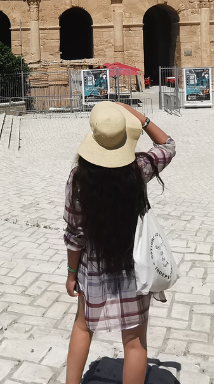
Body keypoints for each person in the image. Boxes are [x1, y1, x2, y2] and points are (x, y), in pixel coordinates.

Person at [64, 101, 175, 384]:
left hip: (93, 267)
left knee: (83, 326)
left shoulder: (79, 178)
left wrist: (71, 274)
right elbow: (169, 145)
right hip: (133, 267)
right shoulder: (137, 169)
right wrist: (139, 116)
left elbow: (74, 233)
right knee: (135, 341)